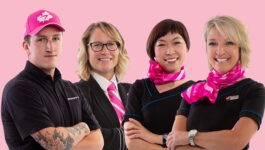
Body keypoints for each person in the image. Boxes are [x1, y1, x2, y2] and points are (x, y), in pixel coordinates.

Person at [1, 10, 104, 150]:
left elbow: (98, 142)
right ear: (26, 47)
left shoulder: (72, 89)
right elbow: (55, 144)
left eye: (55, 38)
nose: (50, 47)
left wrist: (65, 142)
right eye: (41, 39)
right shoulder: (18, 89)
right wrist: (84, 127)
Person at [167, 15, 265, 150]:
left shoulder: (253, 90)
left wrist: (189, 137)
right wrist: (219, 142)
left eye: (229, 43)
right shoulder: (194, 90)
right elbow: (174, 143)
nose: (220, 51)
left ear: (240, 48)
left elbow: (236, 141)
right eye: (212, 43)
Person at [123, 19, 194, 150]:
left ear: (187, 47)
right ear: (153, 52)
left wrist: (151, 137)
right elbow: (132, 142)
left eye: (176, 42)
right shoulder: (140, 87)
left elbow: (197, 140)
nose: (169, 51)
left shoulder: (196, 90)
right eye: (161, 45)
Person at [75, 21, 130, 150]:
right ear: (86, 50)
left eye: (111, 44)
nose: (105, 51)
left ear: (119, 50)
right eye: (97, 45)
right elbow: (84, 140)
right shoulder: (75, 93)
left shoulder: (134, 90)